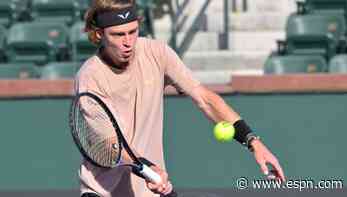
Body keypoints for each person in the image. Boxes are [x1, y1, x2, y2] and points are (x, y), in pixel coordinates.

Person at [74, 0, 286, 197]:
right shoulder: (90, 77)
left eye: (133, 32)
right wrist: (149, 169)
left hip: (153, 186)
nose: (128, 42)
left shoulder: (157, 53)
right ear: (99, 34)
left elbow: (205, 98)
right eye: (118, 35)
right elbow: (112, 146)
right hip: (103, 192)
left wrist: (253, 142)